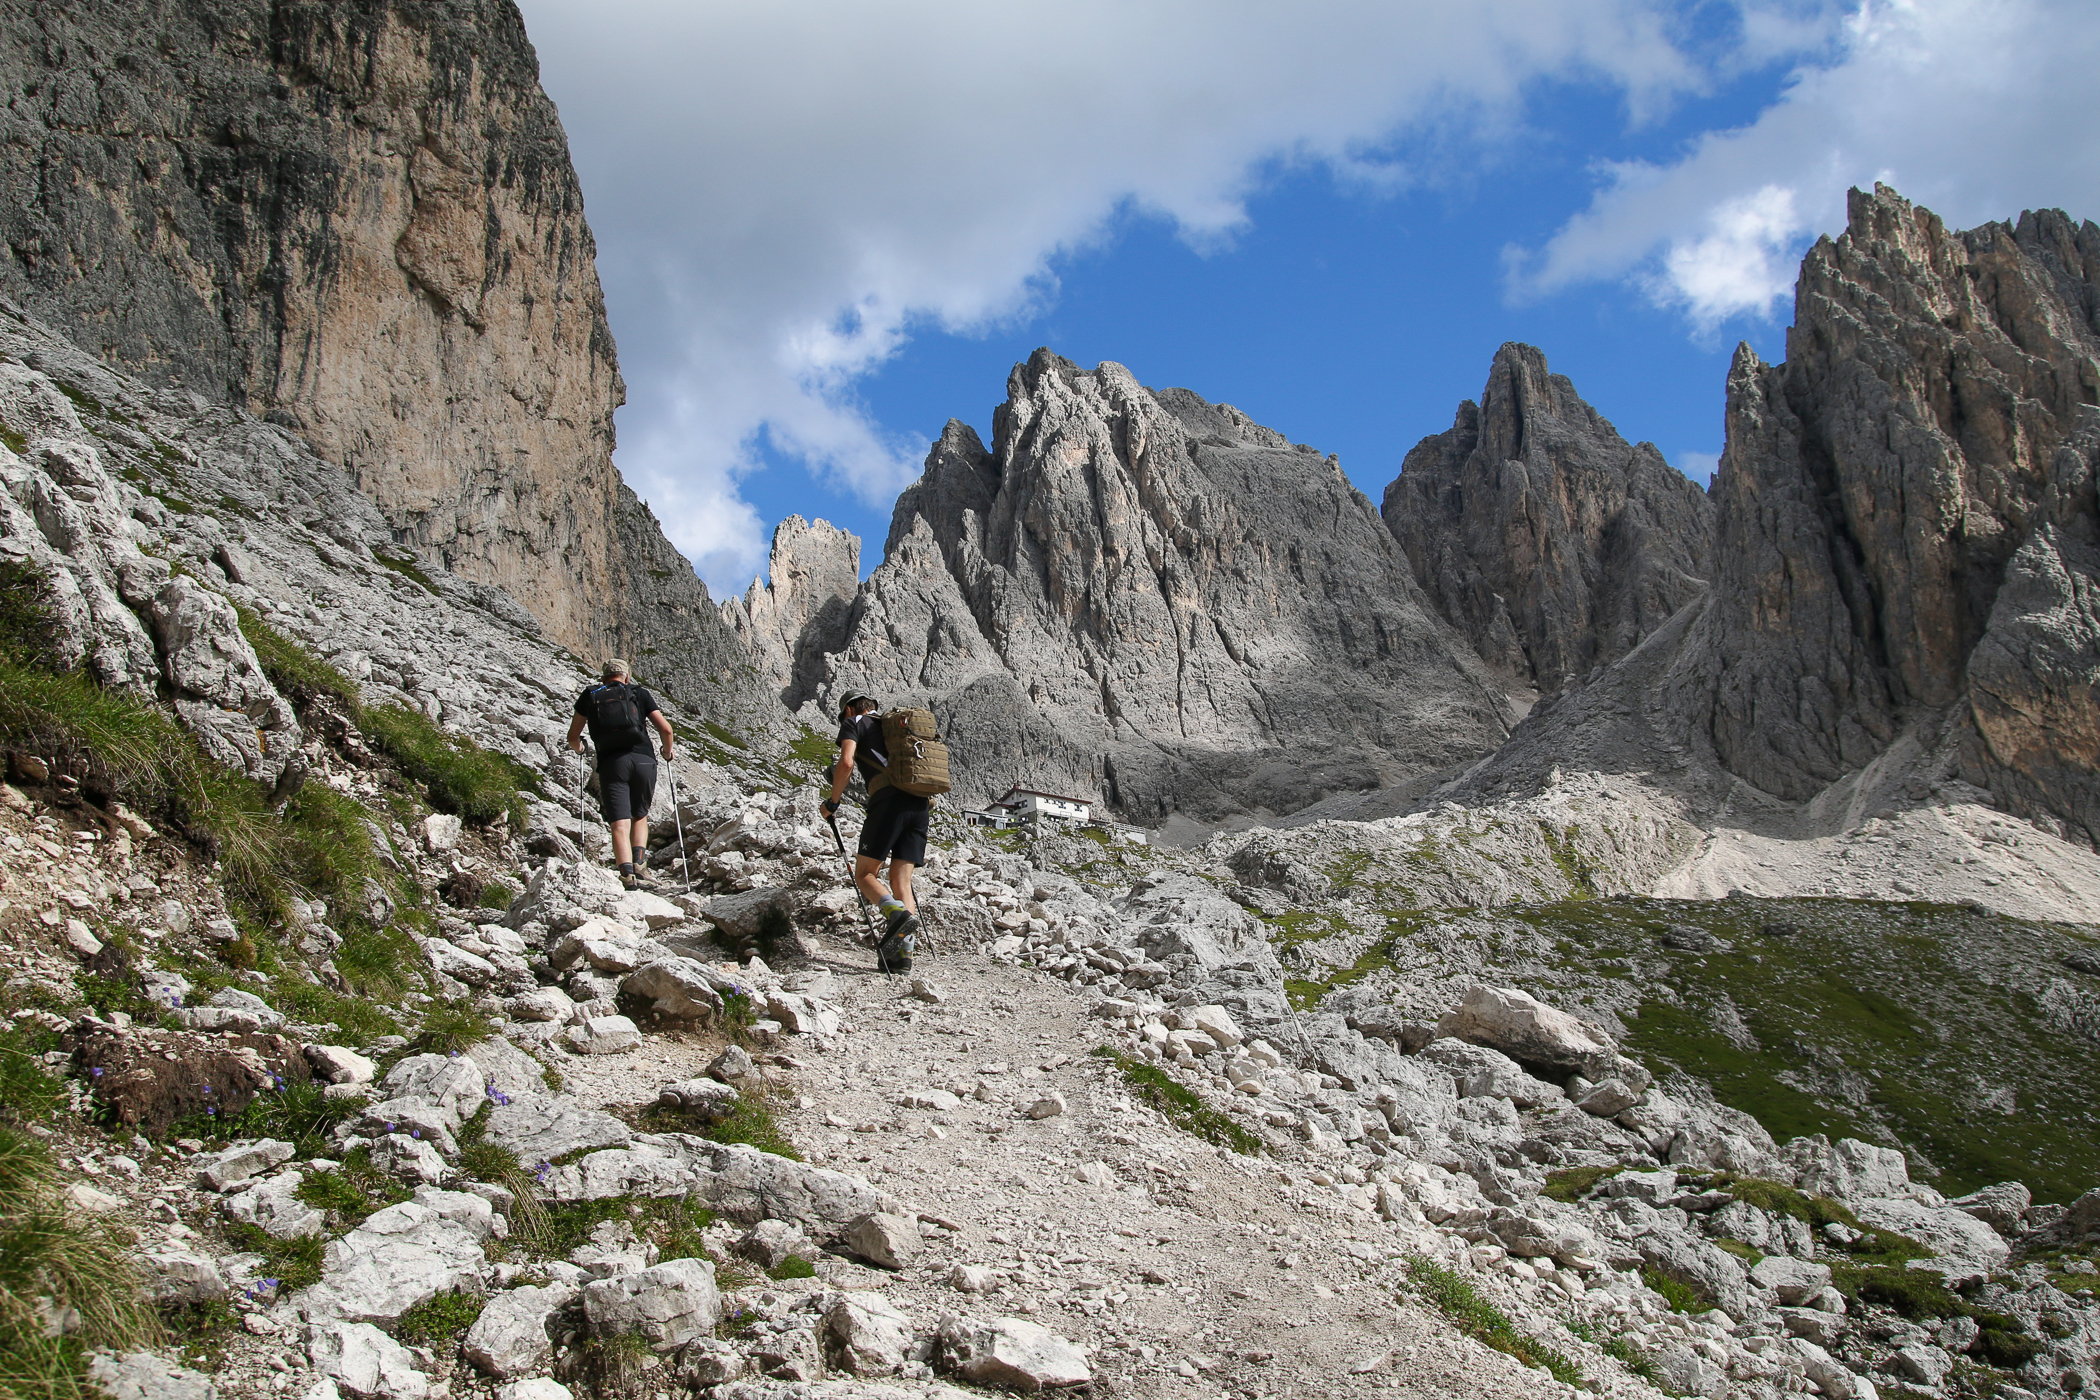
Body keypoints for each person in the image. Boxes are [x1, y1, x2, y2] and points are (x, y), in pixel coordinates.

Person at [821, 691, 924, 970]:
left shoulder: (854, 722)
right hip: (919, 804)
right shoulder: (894, 726)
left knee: (865, 873)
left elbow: (846, 763)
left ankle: (897, 915)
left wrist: (833, 802)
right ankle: (902, 957)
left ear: (849, 710)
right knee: (901, 881)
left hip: (888, 802)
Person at [566, 659, 674, 890]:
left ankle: (626, 876)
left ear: (604, 677)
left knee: (619, 823)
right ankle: (640, 866)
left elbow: (573, 737)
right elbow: (666, 729)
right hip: (644, 760)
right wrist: (667, 751)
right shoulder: (638, 693)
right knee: (640, 815)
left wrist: (581, 749)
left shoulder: (591, 695)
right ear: (626, 677)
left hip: (612, 762)